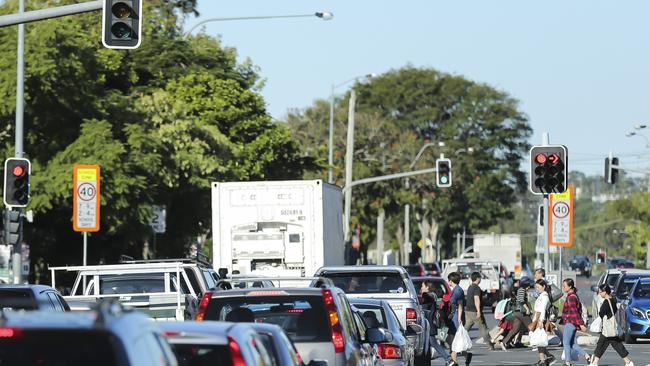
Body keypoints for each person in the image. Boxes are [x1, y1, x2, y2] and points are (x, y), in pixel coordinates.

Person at [588, 284, 635, 366]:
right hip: (610, 327)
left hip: (608, 327)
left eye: (600, 292)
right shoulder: (613, 299)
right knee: (607, 344)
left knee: (610, 344)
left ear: (605, 292)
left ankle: (628, 361)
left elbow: (601, 313)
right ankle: (595, 362)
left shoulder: (606, 302)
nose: (599, 294)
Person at [421, 281, 456, 366]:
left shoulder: (427, 296)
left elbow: (425, 309)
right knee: (432, 343)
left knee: (433, 343)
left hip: (429, 324)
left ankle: (449, 359)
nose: (421, 288)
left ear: (427, 287)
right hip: (432, 323)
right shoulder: (434, 295)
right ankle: (449, 359)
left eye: (422, 286)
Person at [560, 278, 591, 366]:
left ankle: (567, 363)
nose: (563, 288)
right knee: (572, 343)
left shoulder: (571, 297)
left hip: (570, 322)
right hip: (572, 323)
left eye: (564, 286)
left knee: (566, 343)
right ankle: (587, 356)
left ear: (570, 286)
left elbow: (575, 312)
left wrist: (581, 324)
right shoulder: (573, 296)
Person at [464, 272, 494, 351]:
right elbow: (476, 299)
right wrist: (478, 311)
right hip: (474, 311)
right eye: (480, 278)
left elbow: (478, 295)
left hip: (468, 311)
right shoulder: (476, 288)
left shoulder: (470, 287)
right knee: (483, 328)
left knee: (466, 328)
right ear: (477, 279)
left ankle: (458, 340)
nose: (480, 279)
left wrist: (486, 292)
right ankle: (490, 344)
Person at [501, 276, 533, 348]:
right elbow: (521, 300)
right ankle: (536, 342)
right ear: (525, 285)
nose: (529, 287)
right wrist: (527, 309)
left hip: (516, 312)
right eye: (528, 286)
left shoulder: (520, 289)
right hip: (522, 312)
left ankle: (504, 342)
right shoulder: (522, 290)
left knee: (515, 329)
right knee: (531, 326)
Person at [448, 272, 472, 365]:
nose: (448, 282)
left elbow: (460, 305)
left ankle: (455, 363)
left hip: (456, 317)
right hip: (454, 316)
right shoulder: (455, 290)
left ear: (451, 281)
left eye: (449, 280)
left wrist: (459, 318)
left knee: (453, 342)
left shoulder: (458, 291)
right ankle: (466, 355)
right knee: (456, 341)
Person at [532, 279, 553, 366]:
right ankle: (545, 358)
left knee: (540, 341)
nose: (537, 289)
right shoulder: (542, 295)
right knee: (539, 341)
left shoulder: (544, 296)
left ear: (544, 286)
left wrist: (541, 320)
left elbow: (543, 309)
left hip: (541, 320)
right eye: (536, 287)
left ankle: (543, 360)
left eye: (538, 287)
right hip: (538, 319)